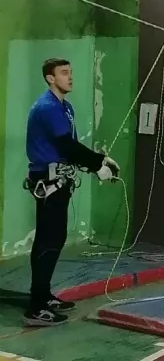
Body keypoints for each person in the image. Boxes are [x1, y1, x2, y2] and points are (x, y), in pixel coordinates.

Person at [24, 58, 120, 327]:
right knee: (48, 240)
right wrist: (98, 163)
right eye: (64, 73)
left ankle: (43, 295)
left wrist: (98, 162)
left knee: (54, 238)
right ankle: (36, 307)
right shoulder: (47, 107)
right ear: (50, 78)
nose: (70, 77)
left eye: (70, 72)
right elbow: (66, 145)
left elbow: (70, 148)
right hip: (48, 181)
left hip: (59, 178)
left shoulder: (65, 107)